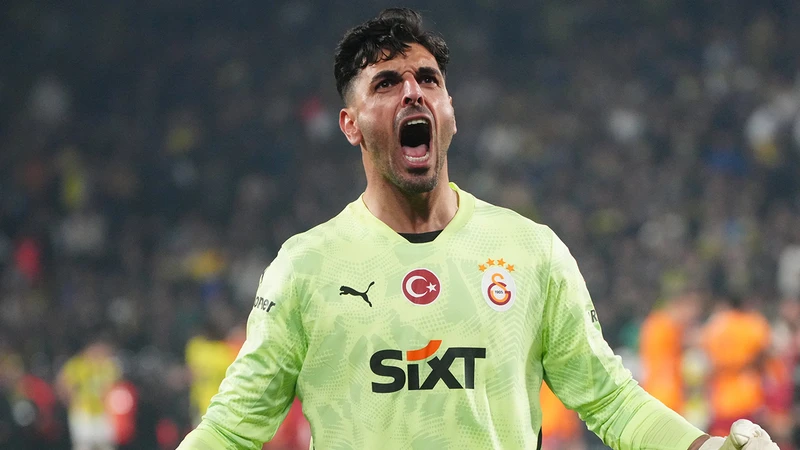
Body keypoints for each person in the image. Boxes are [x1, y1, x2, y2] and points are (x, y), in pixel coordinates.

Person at [178, 8, 778, 450]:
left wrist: (706, 448)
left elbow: (611, 399)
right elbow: (232, 429)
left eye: (428, 79)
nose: (412, 92)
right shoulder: (306, 266)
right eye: (386, 83)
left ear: (449, 112)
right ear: (350, 124)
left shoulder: (530, 251)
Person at [639, 290, 702, 414]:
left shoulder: (653, 322)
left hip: (654, 392)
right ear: (679, 305)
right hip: (668, 395)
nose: (692, 317)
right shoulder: (668, 325)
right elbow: (692, 339)